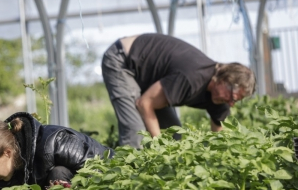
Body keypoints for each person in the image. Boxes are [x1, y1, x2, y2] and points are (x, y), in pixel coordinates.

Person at [101, 33, 256, 148]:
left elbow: (218, 139)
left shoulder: (221, 99)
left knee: (174, 135)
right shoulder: (191, 78)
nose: (231, 103)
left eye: (236, 100)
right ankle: (125, 183)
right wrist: (160, 148)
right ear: (223, 80)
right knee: (135, 131)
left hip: (148, 77)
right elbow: (145, 103)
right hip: (122, 60)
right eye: (232, 97)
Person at [0, 112, 114, 190]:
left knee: (58, 174)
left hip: (114, 165)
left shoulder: (56, 142)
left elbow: (103, 171)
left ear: (7, 153)